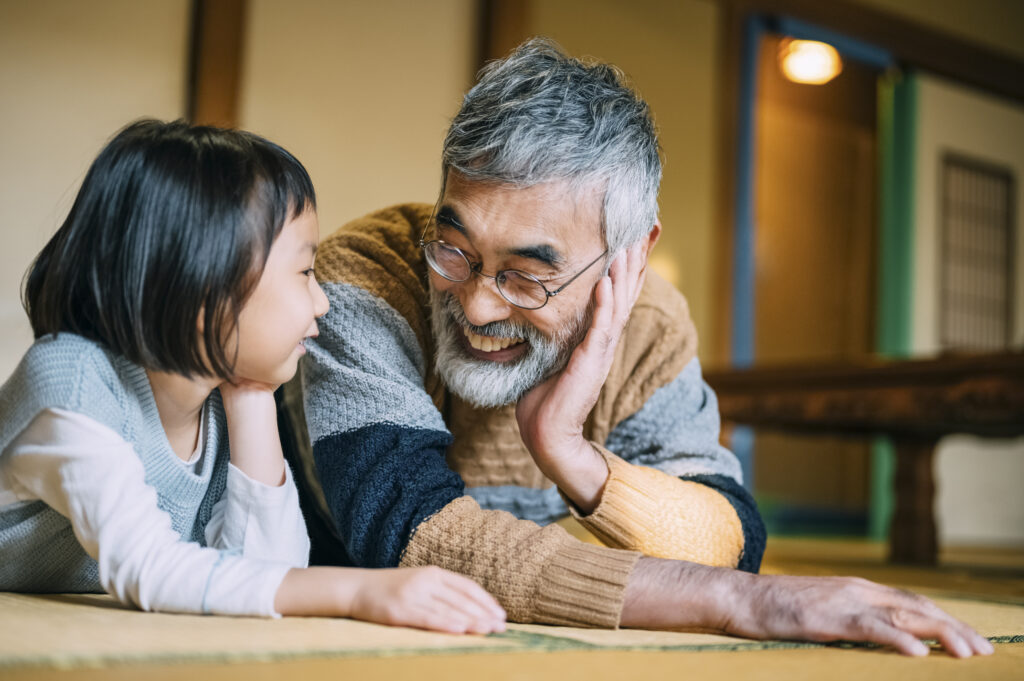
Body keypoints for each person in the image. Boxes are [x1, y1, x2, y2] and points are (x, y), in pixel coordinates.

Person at [282, 39, 992, 657]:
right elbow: (410, 535)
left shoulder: (645, 320)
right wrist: (746, 603)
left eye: (527, 276)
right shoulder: (365, 278)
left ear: (629, 256)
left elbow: (727, 534)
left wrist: (570, 452)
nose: (476, 302)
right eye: (455, 249)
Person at [0, 119, 506, 635]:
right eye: (305, 273)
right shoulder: (74, 385)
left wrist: (252, 396)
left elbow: (263, 571)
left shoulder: (216, 399)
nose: (322, 301)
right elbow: (149, 568)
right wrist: (358, 590)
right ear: (206, 286)